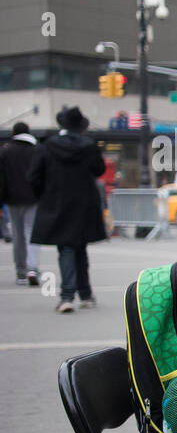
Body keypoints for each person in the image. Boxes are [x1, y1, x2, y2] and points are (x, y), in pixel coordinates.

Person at [29, 107, 106, 312]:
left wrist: (44, 196)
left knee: (66, 248)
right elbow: (99, 170)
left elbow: (34, 177)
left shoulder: (47, 147)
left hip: (57, 203)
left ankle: (67, 296)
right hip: (83, 204)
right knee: (80, 248)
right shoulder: (88, 146)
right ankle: (86, 294)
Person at [0, 122, 41, 285]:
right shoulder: (36, 151)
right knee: (31, 232)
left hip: (12, 199)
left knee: (17, 236)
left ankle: (21, 271)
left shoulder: (5, 152)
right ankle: (33, 268)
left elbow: (1, 180)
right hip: (32, 199)